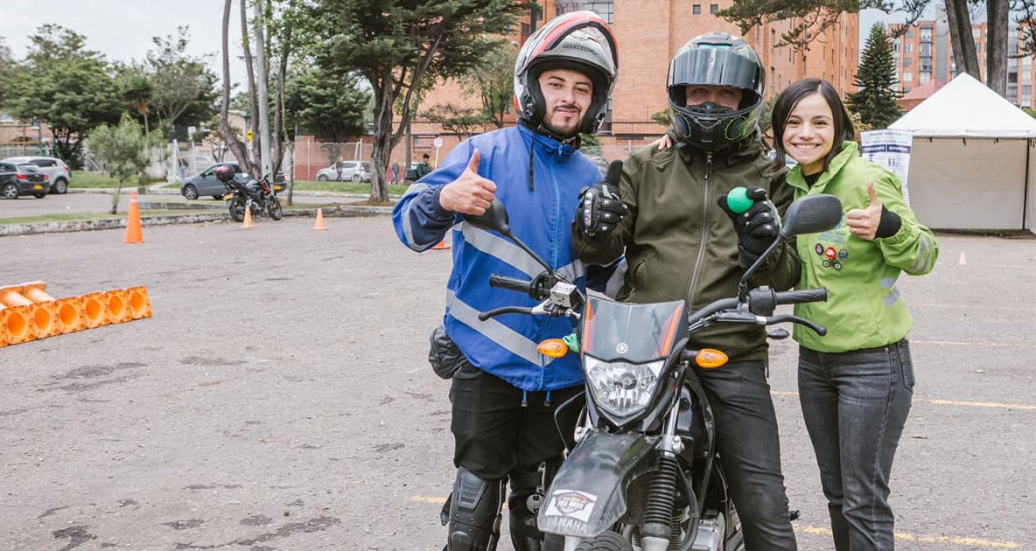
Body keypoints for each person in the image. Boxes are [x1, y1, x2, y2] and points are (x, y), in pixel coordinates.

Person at [392, 11, 619, 551]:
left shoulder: (596, 176)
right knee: (477, 490)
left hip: (563, 364)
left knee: (542, 504)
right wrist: (442, 199)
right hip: (483, 354)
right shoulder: (483, 152)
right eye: (556, 83)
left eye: (582, 89)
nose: (569, 97)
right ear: (531, 88)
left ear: (596, 102)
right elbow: (409, 227)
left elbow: (610, 275)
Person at [573, 32, 801, 549]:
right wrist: (592, 222)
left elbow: (785, 277)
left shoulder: (772, 176)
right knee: (589, 472)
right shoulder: (641, 167)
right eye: (699, 92)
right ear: (680, 95)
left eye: (726, 95)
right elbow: (598, 251)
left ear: (747, 101)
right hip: (640, 349)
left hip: (731, 348)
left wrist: (761, 245)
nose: (711, 103)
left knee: (764, 503)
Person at [769, 78, 938, 551]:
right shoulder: (789, 186)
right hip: (814, 361)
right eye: (793, 122)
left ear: (839, 127)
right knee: (838, 493)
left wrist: (890, 227)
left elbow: (926, 256)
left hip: (873, 364)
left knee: (863, 499)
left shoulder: (867, 179)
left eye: (819, 122)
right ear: (779, 130)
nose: (805, 133)